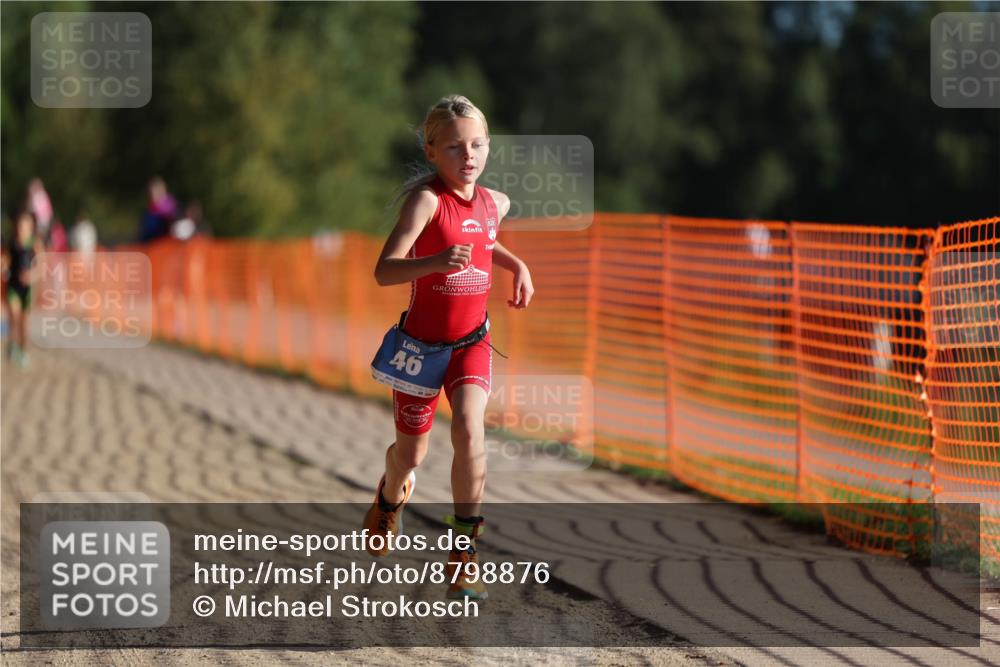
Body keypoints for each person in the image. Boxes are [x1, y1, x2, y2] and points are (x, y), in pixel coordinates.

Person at [363, 95, 534, 601]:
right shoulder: (426, 202)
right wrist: (434, 262)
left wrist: (517, 265)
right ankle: (389, 497)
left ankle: (464, 554)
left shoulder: (496, 202)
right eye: (456, 147)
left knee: (469, 429)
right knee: (411, 453)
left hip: (471, 343)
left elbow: (483, 239)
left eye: (477, 145)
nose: (469, 156)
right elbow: (384, 271)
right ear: (432, 150)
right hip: (419, 348)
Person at [2, 211, 45, 367]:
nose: (22, 228)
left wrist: (31, 276)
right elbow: (6, 260)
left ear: (31, 226)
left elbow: (41, 266)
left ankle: (23, 351)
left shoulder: (35, 243)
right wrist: (3, 267)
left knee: (24, 324)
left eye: (25, 225)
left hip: (29, 289)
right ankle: (12, 345)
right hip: (13, 285)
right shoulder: (12, 242)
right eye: (20, 224)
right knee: (14, 315)